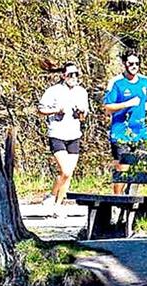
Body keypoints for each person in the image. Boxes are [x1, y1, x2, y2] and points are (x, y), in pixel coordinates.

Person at [37, 62, 90, 216]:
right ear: (63, 75)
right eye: (70, 74)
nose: (74, 77)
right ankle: (51, 196)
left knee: (69, 173)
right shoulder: (53, 91)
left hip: (74, 135)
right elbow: (40, 109)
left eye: (76, 74)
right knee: (65, 171)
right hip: (57, 134)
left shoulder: (81, 92)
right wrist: (55, 110)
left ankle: (58, 206)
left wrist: (81, 113)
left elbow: (84, 116)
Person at [103, 50, 147, 194]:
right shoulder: (116, 83)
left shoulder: (144, 81)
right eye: (130, 63)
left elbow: (143, 102)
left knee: (139, 168)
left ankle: (130, 198)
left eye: (137, 64)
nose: (134, 66)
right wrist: (127, 104)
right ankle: (117, 201)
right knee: (123, 170)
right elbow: (108, 107)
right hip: (121, 132)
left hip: (140, 132)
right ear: (124, 64)